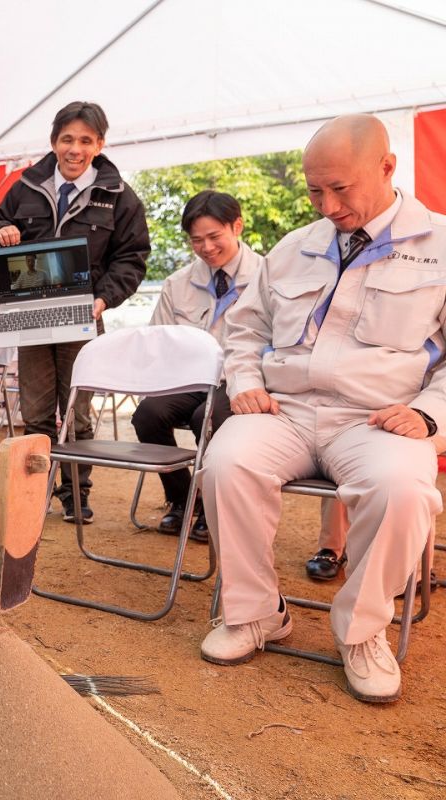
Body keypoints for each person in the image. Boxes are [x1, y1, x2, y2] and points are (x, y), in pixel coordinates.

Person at [199, 114, 446, 704]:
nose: (328, 204)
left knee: (404, 490)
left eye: (341, 188)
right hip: (286, 411)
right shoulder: (292, 248)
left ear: (387, 168)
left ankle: (362, 631)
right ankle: (256, 613)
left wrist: (431, 413)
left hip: (380, 417)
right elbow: (243, 331)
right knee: (225, 462)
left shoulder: (440, 246)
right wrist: (244, 380)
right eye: (315, 190)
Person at [131, 190, 348, 550]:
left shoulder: (271, 274)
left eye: (214, 236)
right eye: (196, 240)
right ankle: (186, 499)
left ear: (237, 226)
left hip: (242, 380)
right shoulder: (177, 284)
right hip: (191, 378)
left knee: (209, 417)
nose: (206, 247)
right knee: (147, 415)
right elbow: (160, 339)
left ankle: (212, 508)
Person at [0, 101, 150, 523]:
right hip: (30, 314)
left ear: (99, 144)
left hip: (82, 314)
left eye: (84, 140)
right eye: (66, 139)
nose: (74, 149)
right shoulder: (25, 186)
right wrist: (0, 232)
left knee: (75, 411)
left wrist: (102, 300)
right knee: (36, 411)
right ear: (53, 142)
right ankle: (33, 491)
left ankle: (76, 495)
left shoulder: (119, 197)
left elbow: (131, 259)